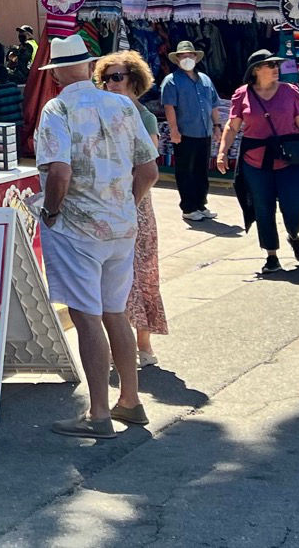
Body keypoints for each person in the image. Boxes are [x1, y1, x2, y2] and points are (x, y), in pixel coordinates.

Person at [34, 34, 159, 438]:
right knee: (114, 312)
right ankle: (130, 400)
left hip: (78, 227)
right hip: (120, 225)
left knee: (87, 317)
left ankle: (100, 412)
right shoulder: (123, 104)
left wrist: (51, 212)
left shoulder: (59, 107)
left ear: (56, 74)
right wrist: (126, 203)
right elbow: (149, 171)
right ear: (88, 67)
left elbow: (60, 172)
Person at [217, 49, 299, 274]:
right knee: (263, 207)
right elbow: (232, 126)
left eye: (277, 65)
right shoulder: (242, 94)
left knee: (293, 206)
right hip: (255, 160)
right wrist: (222, 152)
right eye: (270, 65)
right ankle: (271, 256)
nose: (276, 69)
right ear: (256, 70)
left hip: (290, 158)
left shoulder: (289, 91)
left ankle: (293, 234)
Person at [98, 50, 169, 369]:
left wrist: (131, 200)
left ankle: (144, 345)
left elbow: (148, 165)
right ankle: (120, 347)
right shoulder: (99, 114)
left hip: (135, 200)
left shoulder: (144, 116)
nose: (110, 84)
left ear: (134, 80)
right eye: (105, 78)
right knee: (113, 275)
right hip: (106, 199)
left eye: (117, 77)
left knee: (141, 270)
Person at [158, 40, 222, 223]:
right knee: (186, 171)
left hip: (204, 132)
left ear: (196, 57)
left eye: (190, 55)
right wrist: (174, 131)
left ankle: (201, 204)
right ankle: (188, 207)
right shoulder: (171, 81)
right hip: (185, 133)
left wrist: (217, 126)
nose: (187, 58)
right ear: (177, 60)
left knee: (202, 170)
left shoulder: (205, 80)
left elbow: (214, 105)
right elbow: (169, 107)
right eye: (183, 56)